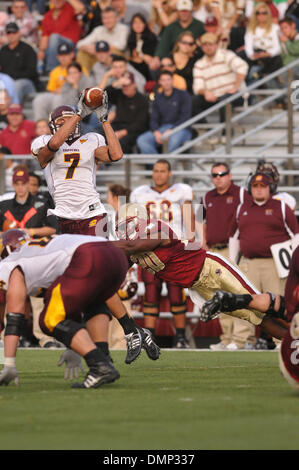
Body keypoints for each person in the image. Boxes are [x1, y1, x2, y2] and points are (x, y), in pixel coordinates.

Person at [30, 89, 160, 365]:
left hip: (92, 216)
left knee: (96, 277)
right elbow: (51, 148)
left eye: (73, 119)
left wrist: (104, 119)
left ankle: (122, 335)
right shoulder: (43, 141)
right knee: (81, 282)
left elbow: (116, 154)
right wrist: (76, 112)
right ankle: (127, 333)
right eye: (64, 119)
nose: (71, 123)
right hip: (64, 219)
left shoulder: (91, 139)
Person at [112, 202, 290, 344]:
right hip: (200, 286)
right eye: (122, 227)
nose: (125, 232)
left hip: (212, 268)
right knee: (255, 318)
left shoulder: (158, 230)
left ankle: (294, 319)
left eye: (129, 225)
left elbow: (132, 246)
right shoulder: (133, 250)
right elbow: (119, 267)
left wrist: (98, 244)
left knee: (256, 301)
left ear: (142, 221)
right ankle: (294, 343)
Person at [0, 230, 128, 388]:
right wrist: (72, 346)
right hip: (114, 253)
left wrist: (9, 364)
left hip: (87, 255)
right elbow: (70, 305)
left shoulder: (10, 263)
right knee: (93, 301)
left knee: (49, 320)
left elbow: (14, 317)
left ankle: (100, 366)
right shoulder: (42, 254)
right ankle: (103, 356)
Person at [200, 245, 299, 389]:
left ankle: (239, 300)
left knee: (285, 307)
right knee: (287, 310)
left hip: (290, 363)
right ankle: (238, 300)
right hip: (292, 363)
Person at [228, 171, 298, 348]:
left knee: (276, 304)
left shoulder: (281, 207)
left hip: (274, 263)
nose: (259, 190)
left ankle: (281, 341)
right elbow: (234, 237)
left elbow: (295, 235)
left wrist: (294, 262)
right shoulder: (242, 207)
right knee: (244, 301)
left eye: (262, 186)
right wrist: (232, 262)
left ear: (270, 188)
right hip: (249, 262)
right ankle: (241, 340)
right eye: (255, 186)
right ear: (250, 189)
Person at [130, 159, 195, 348]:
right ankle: (151, 338)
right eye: (156, 171)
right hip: (149, 250)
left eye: (162, 171)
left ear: (170, 173)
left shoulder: (180, 191)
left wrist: (190, 240)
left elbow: (188, 215)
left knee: (177, 294)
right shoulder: (140, 194)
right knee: (150, 294)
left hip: (174, 249)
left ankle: (181, 338)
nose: (159, 174)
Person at [0, 169, 58, 348]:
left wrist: (29, 232)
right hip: (10, 259)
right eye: (17, 184)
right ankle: (6, 337)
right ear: (13, 184)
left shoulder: (41, 204)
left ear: (28, 183)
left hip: (35, 258)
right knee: (10, 297)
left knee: (38, 298)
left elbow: (52, 229)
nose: (20, 187)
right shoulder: (4, 206)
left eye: (23, 183)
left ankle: (45, 338)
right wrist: (9, 235)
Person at [201, 162, 255, 351]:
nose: (219, 177)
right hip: (214, 251)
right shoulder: (208, 196)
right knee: (219, 295)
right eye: (215, 175)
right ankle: (226, 338)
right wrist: (202, 242)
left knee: (239, 293)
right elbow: (200, 219)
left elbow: (250, 216)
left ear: (230, 176)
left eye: (222, 174)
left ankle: (241, 339)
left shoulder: (240, 193)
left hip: (235, 249)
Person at [192, 32, 248, 136]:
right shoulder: (199, 64)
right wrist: (205, 92)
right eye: (205, 45)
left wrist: (235, 87)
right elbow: (197, 87)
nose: (208, 47)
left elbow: (243, 67)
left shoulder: (226, 55)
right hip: (214, 96)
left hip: (233, 94)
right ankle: (207, 133)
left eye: (210, 44)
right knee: (193, 101)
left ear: (216, 45)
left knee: (225, 99)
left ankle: (226, 134)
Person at [136, 70, 192, 154]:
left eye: (168, 79)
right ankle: (158, 164)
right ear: (159, 82)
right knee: (142, 140)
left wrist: (172, 130)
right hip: (162, 129)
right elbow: (153, 118)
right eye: (163, 80)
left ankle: (166, 165)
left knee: (174, 140)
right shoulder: (158, 98)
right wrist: (156, 131)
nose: (166, 82)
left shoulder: (183, 95)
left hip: (181, 129)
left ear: (172, 80)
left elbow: (185, 117)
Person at [150, 0, 205, 69]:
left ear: (191, 11)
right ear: (178, 12)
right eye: (181, 11)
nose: (184, 13)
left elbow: (205, 43)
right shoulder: (171, 27)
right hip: (174, 62)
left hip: (194, 60)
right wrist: (157, 57)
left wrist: (195, 49)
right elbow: (164, 45)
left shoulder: (200, 26)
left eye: (186, 11)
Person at [32, 42, 80, 122]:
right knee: (38, 100)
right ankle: (42, 127)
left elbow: (82, 87)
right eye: (61, 55)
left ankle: (58, 126)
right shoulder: (55, 71)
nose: (63, 57)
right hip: (57, 95)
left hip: (73, 97)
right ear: (57, 57)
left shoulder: (78, 68)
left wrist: (64, 90)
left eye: (66, 54)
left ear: (71, 55)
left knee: (57, 99)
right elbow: (52, 90)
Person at [105, 71, 149, 153]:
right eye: (123, 86)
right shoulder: (120, 94)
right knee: (99, 133)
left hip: (132, 130)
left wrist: (123, 132)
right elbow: (103, 95)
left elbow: (141, 123)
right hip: (116, 126)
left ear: (134, 85)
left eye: (128, 85)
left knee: (120, 143)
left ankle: (112, 164)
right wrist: (116, 83)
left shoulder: (142, 99)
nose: (125, 88)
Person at [76, 7, 129, 71]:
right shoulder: (98, 30)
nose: (107, 21)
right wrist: (86, 48)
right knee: (82, 53)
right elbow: (79, 44)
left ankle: (112, 75)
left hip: (116, 59)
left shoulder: (123, 29)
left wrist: (99, 48)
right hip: (99, 57)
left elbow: (121, 45)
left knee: (114, 52)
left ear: (116, 18)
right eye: (104, 18)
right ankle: (84, 77)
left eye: (110, 18)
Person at [0, 22, 39, 105]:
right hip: (7, 82)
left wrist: (12, 78)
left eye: (14, 32)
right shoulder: (3, 50)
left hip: (26, 82)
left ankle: (13, 110)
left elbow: (31, 71)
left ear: (19, 33)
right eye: (8, 33)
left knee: (17, 85)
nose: (11, 35)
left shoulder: (27, 49)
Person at [38, 0, 82, 73]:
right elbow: (44, 37)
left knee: (54, 37)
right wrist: (41, 51)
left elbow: (81, 8)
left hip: (70, 46)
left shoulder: (70, 9)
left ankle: (52, 71)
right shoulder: (47, 16)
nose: (57, 1)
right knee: (38, 51)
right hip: (53, 49)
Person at [244, 3, 283, 84]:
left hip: (272, 57)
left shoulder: (275, 28)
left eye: (264, 13)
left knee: (277, 59)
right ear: (255, 15)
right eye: (258, 13)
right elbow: (248, 47)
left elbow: (279, 47)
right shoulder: (251, 29)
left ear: (268, 14)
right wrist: (253, 55)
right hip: (257, 56)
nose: (261, 15)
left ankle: (262, 77)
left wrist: (268, 54)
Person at [127, 13, 158, 81]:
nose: (138, 25)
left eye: (140, 22)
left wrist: (141, 57)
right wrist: (143, 57)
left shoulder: (151, 37)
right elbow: (134, 56)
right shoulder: (131, 38)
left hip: (148, 66)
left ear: (144, 24)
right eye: (135, 23)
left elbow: (149, 58)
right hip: (135, 65)